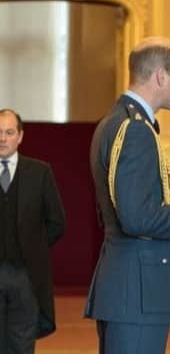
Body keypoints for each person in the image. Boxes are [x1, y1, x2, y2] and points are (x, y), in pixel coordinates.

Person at [84, 37, 170, 354]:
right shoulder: (135, 130)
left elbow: (121, 212)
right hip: (138, 290)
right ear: (160, 76)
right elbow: (136, 217)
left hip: (129, 285)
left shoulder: (116, 123)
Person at [0, 109, 66, 353]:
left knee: (21, 344)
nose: (3, 138)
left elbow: (57, 222)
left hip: (25, 276)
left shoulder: (40, 172)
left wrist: (33, 248)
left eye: (9, 132)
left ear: (20, 136)